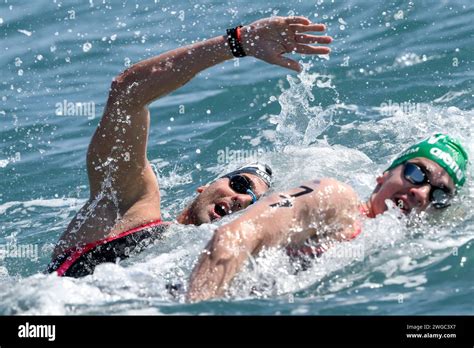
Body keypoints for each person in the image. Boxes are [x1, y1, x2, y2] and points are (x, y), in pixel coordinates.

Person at [47, 16, 332, 277]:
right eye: (240, 184)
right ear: (204, 187)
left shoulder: (222, 269)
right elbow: (126, 94)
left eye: (252, 203)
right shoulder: (131, 211)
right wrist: (238, 42)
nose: (242, 200)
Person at [186, 134, 469, 302]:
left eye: (439, 195)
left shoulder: (390, 248)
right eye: (416, 173)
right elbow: (233, 237)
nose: (421, 193)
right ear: (384, 176)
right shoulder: (336, 199)